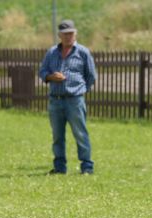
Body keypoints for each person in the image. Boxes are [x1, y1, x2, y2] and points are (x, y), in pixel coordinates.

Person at [39, 20, 97, 175]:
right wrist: (51, 77)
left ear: (75, 34)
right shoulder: (51, 52)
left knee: (80, 134)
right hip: (55, 100)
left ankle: (87, 167)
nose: (68, 37)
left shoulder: (83, 52)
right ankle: (59, 168)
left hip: (75, 100)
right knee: (57, 136)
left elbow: (91, 75)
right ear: (59, 35)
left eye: (71, 33)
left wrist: (80, 90)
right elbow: (42, 71)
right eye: (65, 34)